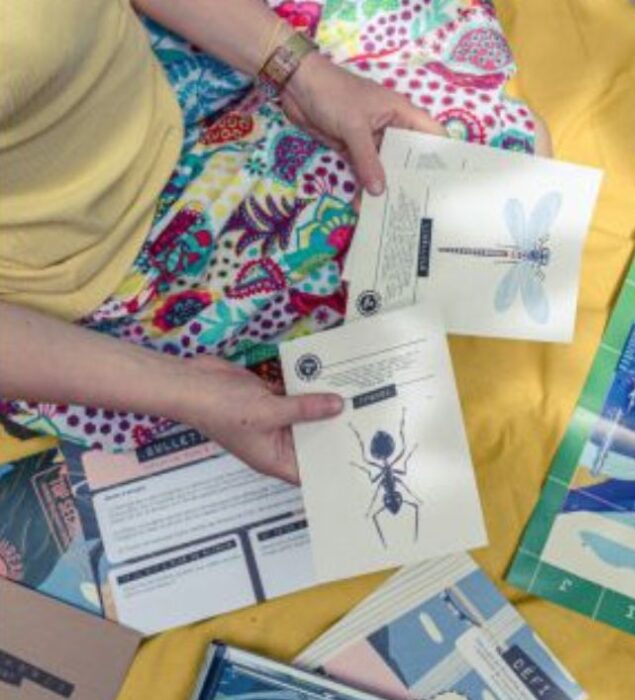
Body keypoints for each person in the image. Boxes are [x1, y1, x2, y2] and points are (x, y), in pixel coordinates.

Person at [0, 0, 549, 483]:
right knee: (487, 173)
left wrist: (303, 72)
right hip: (111, 263)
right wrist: (190, 392)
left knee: (463, 153)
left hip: (168, 63)